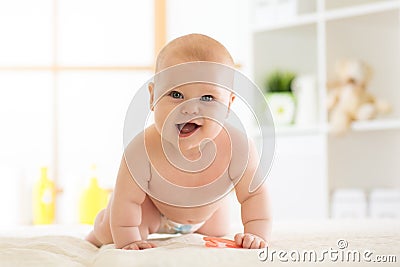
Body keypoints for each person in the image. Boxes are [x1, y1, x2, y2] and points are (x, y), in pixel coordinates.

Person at [85, 33, 272, 250]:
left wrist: (256, 235)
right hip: (152, 209)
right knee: (111, 229)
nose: (190, 108)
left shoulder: (239, 147)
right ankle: (94, 233)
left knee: (218, 229)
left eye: (208, 98)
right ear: (153, 96)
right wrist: (129, 241)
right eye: (175, 94)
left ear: (228, 105)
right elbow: (126, 201)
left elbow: (254, 195)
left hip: (208, 215)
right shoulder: (142, 149)